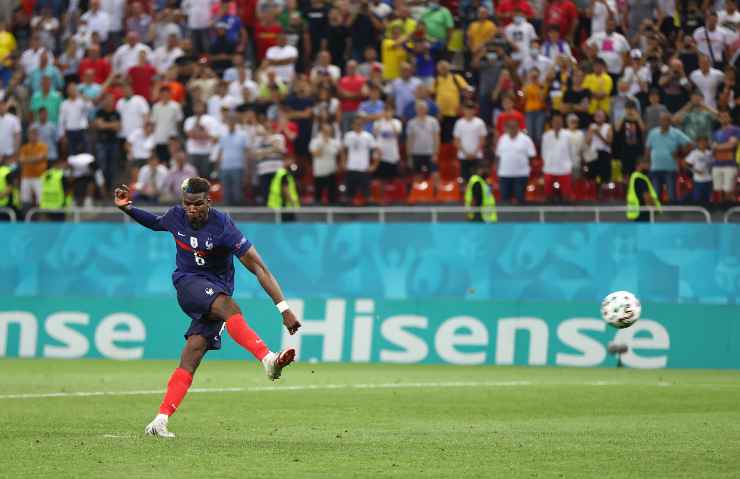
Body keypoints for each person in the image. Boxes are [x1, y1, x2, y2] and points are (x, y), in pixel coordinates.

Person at [113, 177, 301, 438]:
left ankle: (160, 420)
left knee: (193, 352)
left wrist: (283, 308)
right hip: (188, 285)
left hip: (215, 290)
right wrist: (127, 208)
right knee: (229, 308)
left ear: (209, 202)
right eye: (187, 204)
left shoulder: (223, 226)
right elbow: (156, 223)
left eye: (198, 204)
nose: (192, 209)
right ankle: (268, 359)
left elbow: (258, 267)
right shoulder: (176, 216)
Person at [645, 112, 693, 202]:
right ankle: (656, 215)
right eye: (662, 120)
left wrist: (681, 154)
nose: (664, 122)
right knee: (655, 194)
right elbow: (647, 149)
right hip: (655, 167)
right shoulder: (653, 132)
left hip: (671, 168)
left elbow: (690, 144)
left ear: (670, 121)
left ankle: (672, 214)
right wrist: (646, 162)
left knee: (672, 195)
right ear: (659, 121)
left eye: (667, 120)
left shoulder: (676, 133)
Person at [495, 119, 536, 204]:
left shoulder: (526, 139)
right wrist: (497, 168)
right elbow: (498, 156)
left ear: (518, 127)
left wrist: (527, 169)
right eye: (510, 127)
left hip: (521, 175)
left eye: (514, 127)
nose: (512, 129)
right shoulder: (502, 139)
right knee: (504, 200)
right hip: (504, 174)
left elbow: (532, 156)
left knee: (520, 199)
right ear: (506, 128)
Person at [342, 116, 378, 204]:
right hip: (351, 168)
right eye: (356, 124)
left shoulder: (368, 136)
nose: (358, 125)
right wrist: (343, 162)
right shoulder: (348, 135)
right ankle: (348, 215)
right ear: (353, 125)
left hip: (364, 169)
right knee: (348, 197)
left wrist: (374, 165)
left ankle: (369, 216)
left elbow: (376, 151)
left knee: (368, 196)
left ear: (363, 125)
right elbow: (343, 150)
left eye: (360, 124)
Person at [541, 112, 574, 201]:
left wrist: (570, 165)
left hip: (564, 169)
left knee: (566, 196)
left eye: (559, 121)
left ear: (562, 122)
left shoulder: (568, 135)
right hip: (549, 169)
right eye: (555, 121)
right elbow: (543, 152)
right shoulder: (546, 135)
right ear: (552, 122)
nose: (557, 123)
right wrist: (547, 162)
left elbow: (572, 152)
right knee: (548, 195)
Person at [453, 102, 487, 182]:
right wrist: (466, 153)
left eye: (471, 109)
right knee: (465, 180)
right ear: (463, 110)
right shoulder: (459, 123)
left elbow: (482, 139)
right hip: (463, 156)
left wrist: (475, 153)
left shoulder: (480, 122)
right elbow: (456, 140)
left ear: (474, 111)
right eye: (467, 109)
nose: (469, 111)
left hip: (477, 156)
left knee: (478, 180)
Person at [712, 110, 740, 203]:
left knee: (729, 190)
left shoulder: (736, 130)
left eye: (725, 116)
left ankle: (731, 210)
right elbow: (713, 147)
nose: (723, 118)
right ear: (719, 119)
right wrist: (724, 146)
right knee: (718, 190)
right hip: (717, 164)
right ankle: (721, 211)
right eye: (721, 117)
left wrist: (718, 147)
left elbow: (732, 145)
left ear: (730, 118)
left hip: (730, 165)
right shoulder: (716, 133)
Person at [309, 121, 341, 205]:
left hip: (331, 171)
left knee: (332, 195)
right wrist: (323, 143)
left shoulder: (335, 142)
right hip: (319, 171)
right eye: (325, 131)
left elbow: (338, 154)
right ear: (321, 131)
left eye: (329, 131)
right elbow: (316, 154)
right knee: (318, 194)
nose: (327, 133)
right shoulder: (315, 141)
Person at [684, 136, 713, 204]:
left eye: (704, 142)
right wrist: (695, 170)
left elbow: (712, 164)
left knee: (707, 199)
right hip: (698, 180)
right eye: (701, 142)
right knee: (697, 199)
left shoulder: (710, 153)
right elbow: (685, 164)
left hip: (709, 179)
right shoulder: (694, 153)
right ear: (697, 143)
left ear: (707, 143)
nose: (703, 144)